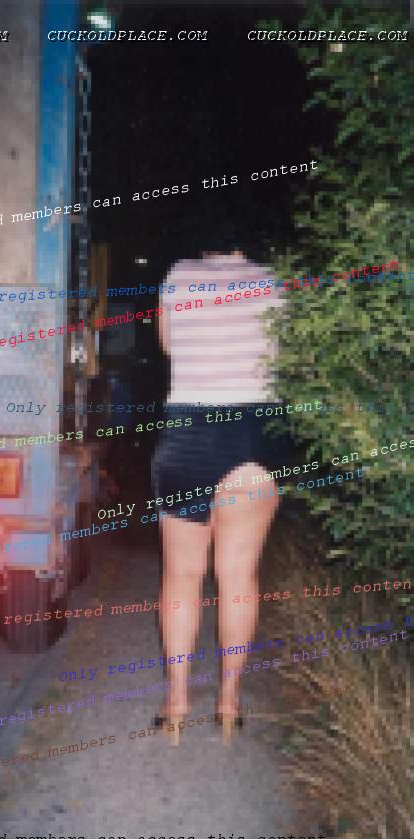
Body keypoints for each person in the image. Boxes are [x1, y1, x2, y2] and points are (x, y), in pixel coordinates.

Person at [152, 245, 290, 744]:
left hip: (189, 429)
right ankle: (229, 704)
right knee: (238, 577)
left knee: (182, 575)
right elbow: (283, 355)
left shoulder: (178, 274)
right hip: (255, 431)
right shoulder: (275, 280)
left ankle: (176, 704)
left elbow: (169, 347)